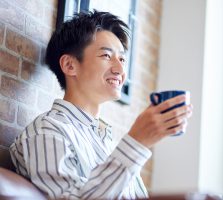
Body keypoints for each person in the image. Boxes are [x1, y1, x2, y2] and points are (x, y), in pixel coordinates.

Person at [9, 10, 193, 199]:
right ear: (70, 65)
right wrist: (137, 142)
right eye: (106, 56)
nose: (120, 69)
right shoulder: (47, 131)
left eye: (122, 59)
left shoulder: (107, 142)